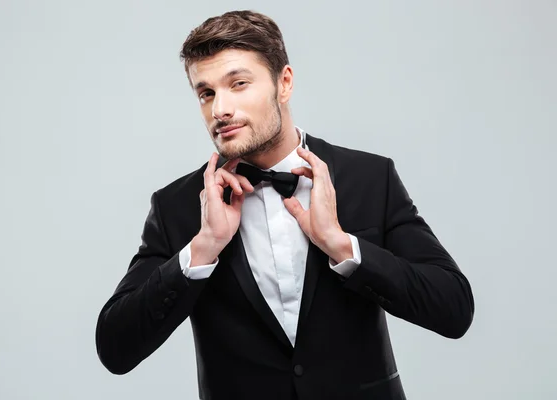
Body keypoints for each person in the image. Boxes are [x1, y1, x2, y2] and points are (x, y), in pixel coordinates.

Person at [95, 10, 474, 400]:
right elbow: (115, 349)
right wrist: (202, 248)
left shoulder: (368, 178)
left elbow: (454, 308)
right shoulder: (179, 206)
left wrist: (343, 247)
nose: (219, 109)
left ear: (284, 83)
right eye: (206, 93)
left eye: (238, 84)